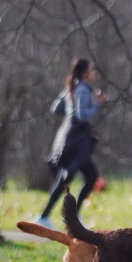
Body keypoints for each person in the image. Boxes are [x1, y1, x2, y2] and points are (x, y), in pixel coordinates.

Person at [41, 57, 105, 221]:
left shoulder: (74, 87)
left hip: (70, 138)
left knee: (86, 176)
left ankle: (59, 217)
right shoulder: (83, 90)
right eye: (92, 70)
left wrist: (69, 116)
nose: (95, 72)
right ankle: (47, 217)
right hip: (77, 141)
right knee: (68, 178)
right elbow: (81, 115)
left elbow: (56, 108)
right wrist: (97, 105)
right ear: (85, 73)